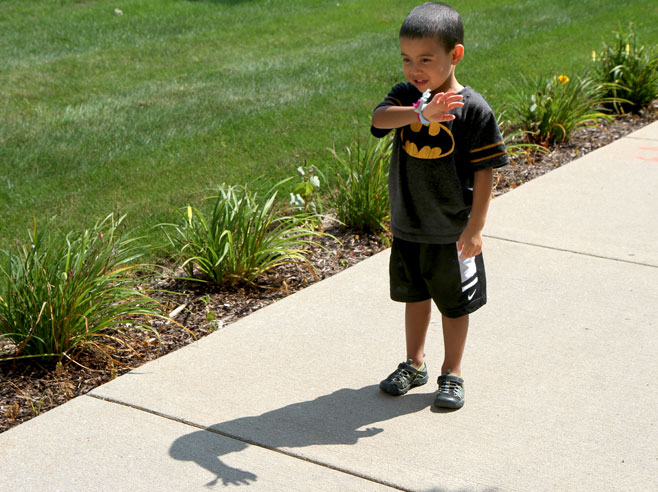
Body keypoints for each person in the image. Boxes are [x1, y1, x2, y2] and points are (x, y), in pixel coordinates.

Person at [371, 2, 508, 409]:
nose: (415, 69)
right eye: (407, 59)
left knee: (454, 302)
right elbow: (379, 120)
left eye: (426, 60)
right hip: (409, 224)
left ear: (455, 55)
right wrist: (419, 113)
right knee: (414, 296)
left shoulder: (473, 109)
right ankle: (414, 363)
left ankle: (453, 372)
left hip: (451, 230)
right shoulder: (406, 99)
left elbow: (486, 172)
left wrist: (476, 227)